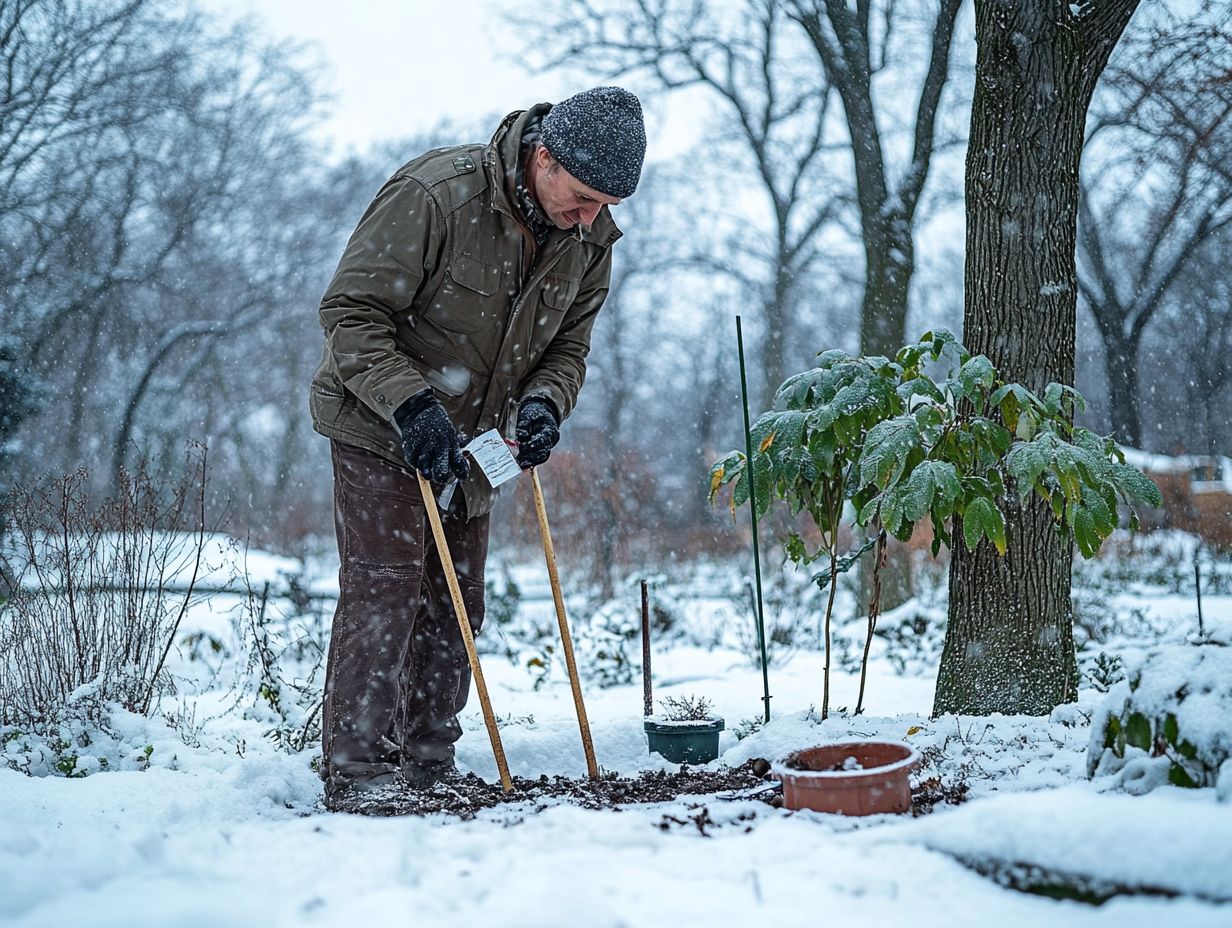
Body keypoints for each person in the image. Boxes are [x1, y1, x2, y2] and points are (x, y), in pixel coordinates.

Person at [308, 87, 646, 808]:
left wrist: (544, 403)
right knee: (386, 587)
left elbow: (568, 350)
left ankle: (428, 760)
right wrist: (411, 404)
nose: (591, 217)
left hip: (479, 441)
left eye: (606, 205)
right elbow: (350, 313)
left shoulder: (591, 238)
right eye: (583, 197)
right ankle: (359, 770)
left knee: (456, 598)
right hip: (380, 420)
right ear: (543, 157)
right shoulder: (437, 194)